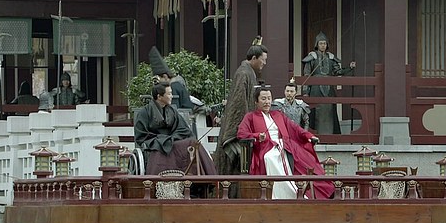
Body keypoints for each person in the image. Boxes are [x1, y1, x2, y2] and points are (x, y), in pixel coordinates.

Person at [238, 86, 334, 200]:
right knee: (270, 157)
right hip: (266, 147)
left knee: (305, 161)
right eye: (263, 99)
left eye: (269, 98)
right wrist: (257, 136)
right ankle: (283, 194)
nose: (267, 102)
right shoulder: (250, 117)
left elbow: (295, 128)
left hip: (286, 145)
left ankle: (308, 192)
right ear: (256, 101)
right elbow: (241, 133)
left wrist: (309, 135)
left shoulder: (278, 114)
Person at [134, 82, 216, 176]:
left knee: (193, 143)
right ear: (159, 96)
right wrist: (163, 139)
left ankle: (205, 175)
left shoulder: (172, 111)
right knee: (164, 146)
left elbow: (183, 129)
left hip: (173, 140)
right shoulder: (144, 113)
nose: (172, 96)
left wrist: (173, 137)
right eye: (169, 94)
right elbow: (142, 135)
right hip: (155, 142)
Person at [214, 38, 267, 178]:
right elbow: (238, 102)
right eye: (263, 60)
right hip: (239, 126)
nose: (264, 63)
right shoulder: (243, 73)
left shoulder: (249, 73)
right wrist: (244, 126)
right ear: (254, 58)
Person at [301, 32, 354, 134]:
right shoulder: (312, 57)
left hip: (329, 88)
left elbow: (337, 71)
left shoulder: (330, 57)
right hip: (315, 89)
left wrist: (349, 68)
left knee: (330, 111)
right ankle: (314, 134)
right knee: (315, 110)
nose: (323, 45)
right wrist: (306, 91)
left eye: (324, 43)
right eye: (321, 43)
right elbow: (306, 75)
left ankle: (331, 135)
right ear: (317, 44)